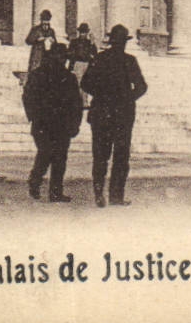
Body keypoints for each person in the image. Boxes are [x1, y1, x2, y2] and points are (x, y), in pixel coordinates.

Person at [80, 24, 147, 207]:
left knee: (100, 156)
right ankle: (116, 196)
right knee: (121, 156)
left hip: (101, 113)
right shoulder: (130, 61)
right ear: (124, 43)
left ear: (111, 41)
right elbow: (142, 87)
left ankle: (99, 194)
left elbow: (85, 84)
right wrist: (127, 99)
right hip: (122, 116)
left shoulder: (100, 59)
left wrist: (101, 95)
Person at [22, 36, 83, 202]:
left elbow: (76, 104)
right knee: (47, 154)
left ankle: (53, 190)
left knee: (59, 157)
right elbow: (28, 97)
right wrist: (33, 116)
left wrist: (75, 124)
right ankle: (36, 182)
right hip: (45, 123)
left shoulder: (68, 77)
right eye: (61, 57)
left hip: (59, 125)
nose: (63, 61)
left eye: (64, 58)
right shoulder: (39, 75)